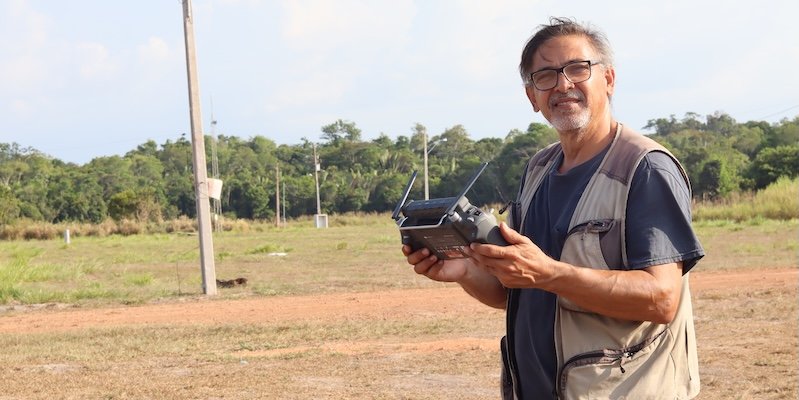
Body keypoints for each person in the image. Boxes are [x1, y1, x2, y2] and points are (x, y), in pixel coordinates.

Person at [402, 17, 704, 399]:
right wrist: (464, 271)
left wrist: (549, 274)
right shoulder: (538, 170)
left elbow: (661, 299)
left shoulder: (645, 168)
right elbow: (517, 292)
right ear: (532, 97)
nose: (563, 84)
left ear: (608, 80)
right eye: (544, 76)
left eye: (578, 69)